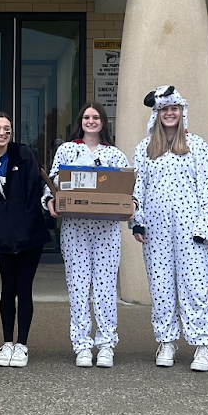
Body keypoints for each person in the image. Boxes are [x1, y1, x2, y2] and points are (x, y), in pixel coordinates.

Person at [131, 86, 208, 371]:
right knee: (160, 288)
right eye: (164, 109)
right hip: (155, 231)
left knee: (194, 288)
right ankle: (166, 341)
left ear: (182, 112)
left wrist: (203, 227)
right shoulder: (144, 149)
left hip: (190, 231)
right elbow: (137, 190)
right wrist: (138, 221)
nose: (170, 113)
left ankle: (202, 345)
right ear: (157, 114)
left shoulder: (197, 146)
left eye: (175, 108)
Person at [45, 102, 130, 368]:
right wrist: (50, 202)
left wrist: (132, 208)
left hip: (107, 230)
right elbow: (52, 183)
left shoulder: (115, 154)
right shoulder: (67, 150)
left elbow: (129, 189)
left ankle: (105, 345)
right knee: (79, 287)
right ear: (80, 121)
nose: (91, 121)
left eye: (96, 117)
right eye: (86, 117)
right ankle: (82, 344)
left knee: (105, 288)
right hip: (75, 228)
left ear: (104, 122)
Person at [0, 113, 50, 368]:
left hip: (30, 237)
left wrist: (24, 225)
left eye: (6, 129)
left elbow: (33, 190)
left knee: (23, 288)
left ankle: (22, 344)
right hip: (3, 239)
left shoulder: (22, 155)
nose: (2, 133)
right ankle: (7, 342)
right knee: (8, 289)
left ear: (11, 133)